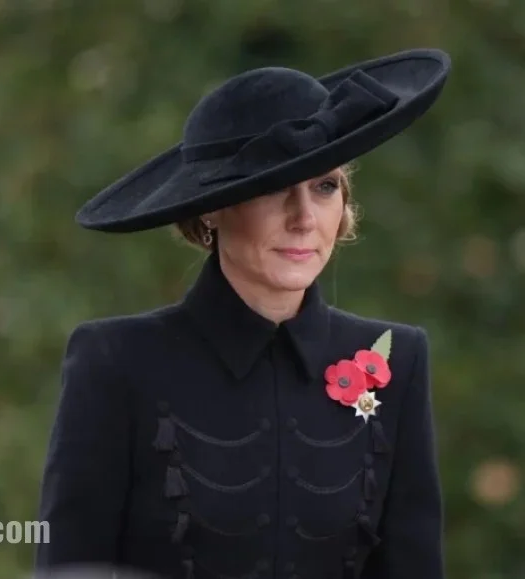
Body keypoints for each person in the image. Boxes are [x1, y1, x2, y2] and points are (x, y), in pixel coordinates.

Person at [34, 47, 451, 579]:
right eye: (275, 188)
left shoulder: (396, 360)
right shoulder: (116, 362)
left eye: (325, 186)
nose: (304, 218)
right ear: (212, 206)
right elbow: (70, 567)